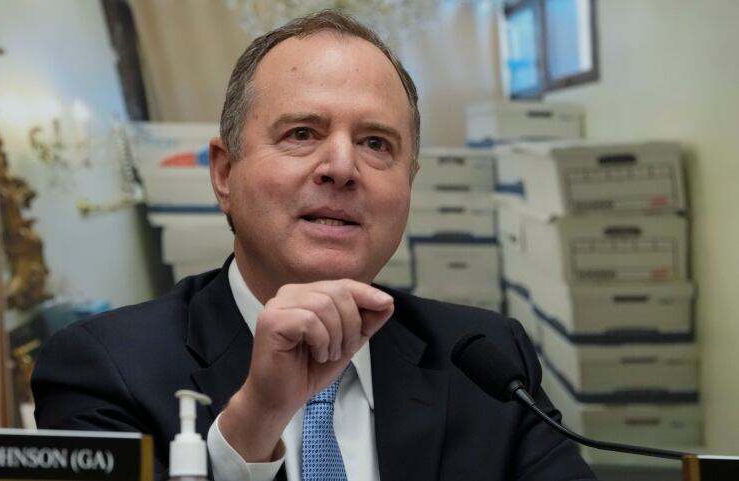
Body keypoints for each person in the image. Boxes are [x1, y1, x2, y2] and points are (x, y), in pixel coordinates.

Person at [32, 9, 596, 481]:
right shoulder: (102, 368)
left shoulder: (489, 363)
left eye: (376, 143)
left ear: (408, 185)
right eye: (301, 133)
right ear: (224, 174)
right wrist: (252, 425)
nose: (343, 167)